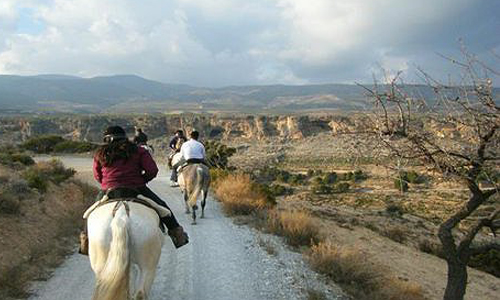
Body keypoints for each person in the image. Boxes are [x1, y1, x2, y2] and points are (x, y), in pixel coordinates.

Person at [91, 126, 188, 249]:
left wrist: (107, 183)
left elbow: (97, 175)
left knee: (91, 212)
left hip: (109, 189)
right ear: (124, 137)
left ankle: (86, 240)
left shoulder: (100, 153)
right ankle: (178, 235)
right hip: (136, 188)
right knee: (163, 208)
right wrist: (142, 180)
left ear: (107, 139)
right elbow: (152, 170)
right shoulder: (139, 150)